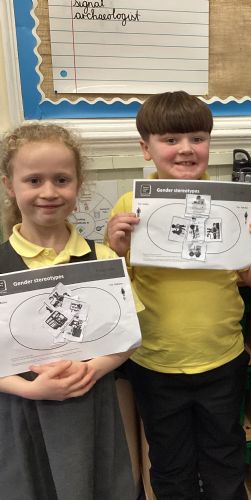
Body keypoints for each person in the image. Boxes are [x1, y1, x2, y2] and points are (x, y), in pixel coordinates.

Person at [106, 91, 251, 500]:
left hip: (221, 357)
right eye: (170, 139)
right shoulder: (130, 205)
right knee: (171, 461)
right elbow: (116, 291)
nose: (186, 148)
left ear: (209, 143)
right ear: (146, 149)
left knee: (225, 455)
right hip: (155, 361)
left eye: (197, 138)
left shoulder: (230, 203)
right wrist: (115, 249)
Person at [0, 123, 138, 500]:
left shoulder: (102, 257)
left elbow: (128, 338)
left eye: (61, 180)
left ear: (78, 185)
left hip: (90, 405)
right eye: (34, 180)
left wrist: (92, 369)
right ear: (10, 185)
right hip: (21, 411)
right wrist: (30, 389)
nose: (49, 192)